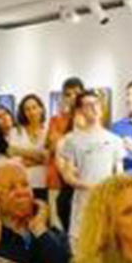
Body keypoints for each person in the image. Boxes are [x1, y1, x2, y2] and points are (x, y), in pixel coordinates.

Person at [55, 90, 124, 244]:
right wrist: (88, 186)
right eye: (88, 105)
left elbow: (119, 173)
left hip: (107, 203)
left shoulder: (115, 140)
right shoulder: (72, 140)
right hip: (83, 203)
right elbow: (68, 175)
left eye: (96, 103)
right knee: (81, 247)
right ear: (80, 110)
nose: (94, 108)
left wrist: (111, 189)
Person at [45, 77, 85, 232]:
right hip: (57, 179)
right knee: (58, 225)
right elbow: (53, 146)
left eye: (76, 93)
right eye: (68, 94)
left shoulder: (89, 118)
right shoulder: (56, 120)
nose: (73, 97)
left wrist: (62, 139)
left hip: (82, 178)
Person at [8, 93, 51, 201]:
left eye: (34, 107)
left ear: (41, 109)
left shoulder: (49, 131)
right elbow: (14, 160)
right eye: (27, 109)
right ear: (23, 113)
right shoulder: (16, 131)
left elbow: (49, 158)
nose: (31, 112)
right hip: (22, 184)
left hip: (44, 183)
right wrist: (39, 157)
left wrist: (20, 151)